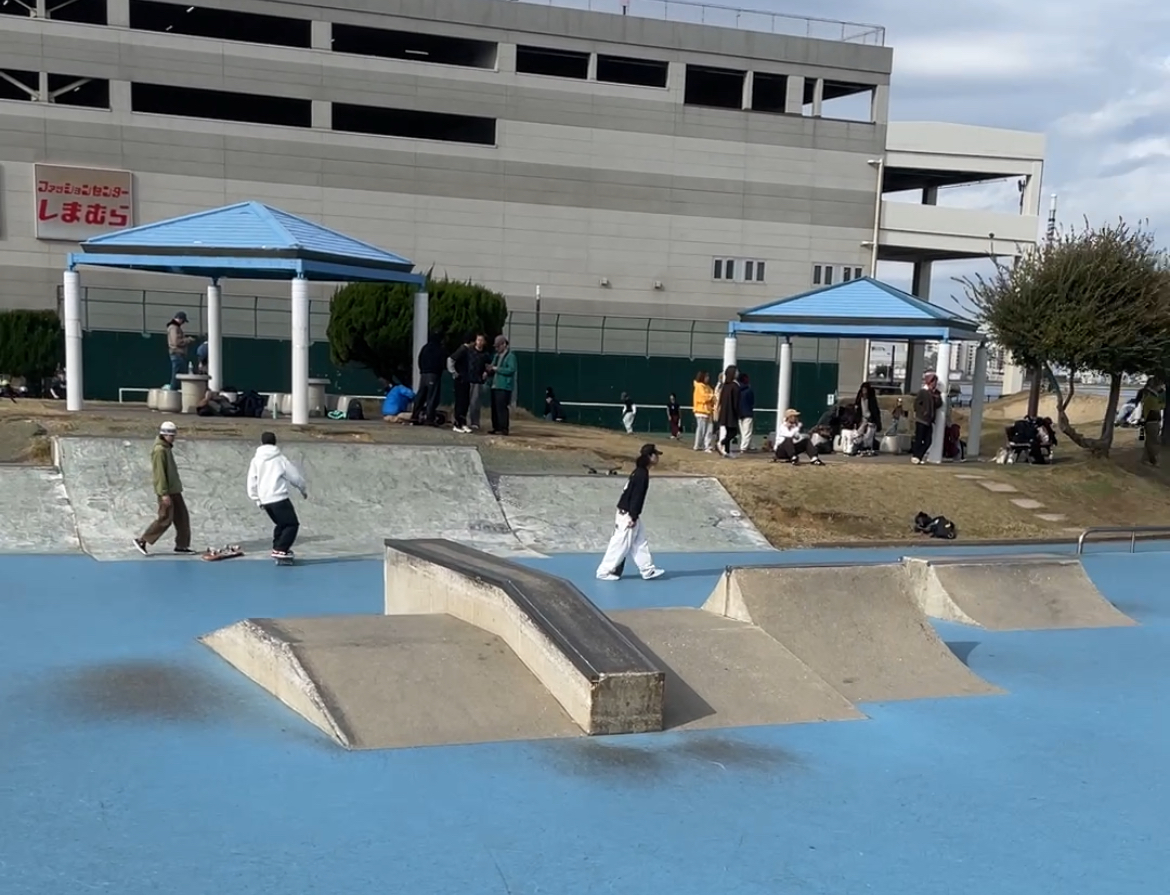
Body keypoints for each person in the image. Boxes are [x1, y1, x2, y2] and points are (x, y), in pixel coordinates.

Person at [595, 443, 666, 581]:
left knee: (639, 541)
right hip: (627, 514)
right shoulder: (642, 474)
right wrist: (633, 516)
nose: (658, 458)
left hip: (629, 513)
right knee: (620, 544)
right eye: (656, 455)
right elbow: (636, 496)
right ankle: (604, 571)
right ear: (650, 456)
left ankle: (647, 570)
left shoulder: (639, 471)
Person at [133, 421, 193, 555]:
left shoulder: (166, 448)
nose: (173, 438)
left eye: (173, 435)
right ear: (164, 435)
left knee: (182, 518)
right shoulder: (159, 450)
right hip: (166, 491)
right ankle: (142, 540)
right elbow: (159, 473)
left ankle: (182, 546)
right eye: (171, 435)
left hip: (174, 489)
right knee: (165, 518)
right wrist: (164, 494)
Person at [246, 432, 308, 560]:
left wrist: (257, 499)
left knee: (281, 524)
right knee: (291, 524)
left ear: (262, 443)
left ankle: (277, 547)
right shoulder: (280, 459)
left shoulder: (256, 460)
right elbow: (294, 476)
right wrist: (302, 489)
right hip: (279, 498)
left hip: (265, 500)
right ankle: (281, 549)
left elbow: (252, 480)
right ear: (275, 442)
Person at [447, 331, 478, 434]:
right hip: (460, 380)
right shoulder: (462, 350)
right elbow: (450, 359)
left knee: (465, 402)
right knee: (460, 402)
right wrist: (454, 373)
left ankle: (463, 423)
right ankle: (457, 424)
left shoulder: (467, 350)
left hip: (465, 380)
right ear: (472, 341)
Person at [412, 331, 445, 425]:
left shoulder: (425, 348)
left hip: (423, 374)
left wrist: (422, 370)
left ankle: (415, 416)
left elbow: (420, 359)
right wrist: (439, 371)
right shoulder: (438, 349)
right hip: (433, 374)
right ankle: (429, 418)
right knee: (432, 397)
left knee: (421, 395)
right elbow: (441, 362)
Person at [487, 335, 517, 435]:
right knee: (494, 407)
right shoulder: (496, 356)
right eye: (495, 347)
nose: (496, 349)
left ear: (504, 344)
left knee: (502, 408)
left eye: (498, 346)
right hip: (495, 385)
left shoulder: (510, 356)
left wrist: (497, 369)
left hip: (504, 386)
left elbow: (511, 370)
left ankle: (504, 428)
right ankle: (496, 427)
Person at [911, 372, 942, 465]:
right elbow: (916, 404)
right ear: (929, 382)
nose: (935, 384)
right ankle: (916, 456)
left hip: (929, 421)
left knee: (928, 441)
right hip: (921, 419)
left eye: (936, 382)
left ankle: (918, 456)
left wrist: (937, 396)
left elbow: (939, 405)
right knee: (919, 439)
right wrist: (923, 412)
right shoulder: (923, 392)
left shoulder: (934, 393)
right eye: (933, 382)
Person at [166, 311, 196, 389]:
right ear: (180, 319)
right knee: (177, 376)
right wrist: (188, 340)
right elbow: (176, 342)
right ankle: (173, 393)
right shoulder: (174, 328)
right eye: (183, 321)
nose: (183, 323)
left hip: (177, 354)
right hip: (177, 354)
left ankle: (174, 392)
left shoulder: (174, 327)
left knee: (178, 375)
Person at [716, 364, 740, 457]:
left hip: (724, 413)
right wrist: (737, 412)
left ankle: (727, 451)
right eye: (736, 371)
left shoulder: (725, 386)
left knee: (728, 431)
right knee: (733, 432)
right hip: (731, 413)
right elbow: (736, 402)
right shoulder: (735, 386)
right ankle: (721, 443)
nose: (738, 373)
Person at [852, 381, 883, 453]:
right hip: (862, 419)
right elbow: (857, 411)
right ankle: (859, 446)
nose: (864, 392)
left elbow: (875, 412)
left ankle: (867, 447)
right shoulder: (860, 399)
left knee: (869, 434)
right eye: (863, 390)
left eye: (865, 390)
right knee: (858, 433)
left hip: (870, 420)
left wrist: (876, 422)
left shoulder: (871, 400)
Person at [468, 334, 490, 430]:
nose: (480, 342)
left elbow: (488, 366)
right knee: (465, 401)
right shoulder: (470, 352)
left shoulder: (485, 355)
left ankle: (475, 422)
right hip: (468, 379)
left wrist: (486, 372)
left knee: (475, 402)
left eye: (481, 340)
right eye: (478, 340)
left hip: (478, 381)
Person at [1141, 378, 1165, 466]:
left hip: (1150, 421)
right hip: (1152, 421)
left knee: (1149, 441)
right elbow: (1156, 408)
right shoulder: (1151, 397)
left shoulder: (1148, 395)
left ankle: (1146, 459)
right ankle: (1154, 460)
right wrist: (1163, 404)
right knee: (1154, 442)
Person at [692, 371, 714, 452]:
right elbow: (704, 397)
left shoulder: (708, 387)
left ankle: (707, 445)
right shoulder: (699, 386)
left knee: (709, 430)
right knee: (701, 429)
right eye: (706, 377)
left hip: (709, 411)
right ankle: (697, 445)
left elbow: (712, 396)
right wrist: (711, 396)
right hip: (701, 411)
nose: (708, 378)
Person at [737, 373, 755, 451]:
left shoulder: (736, 390)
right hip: (747, 412)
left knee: (743, 431)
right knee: (747, 431)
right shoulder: (748, 390)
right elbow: (752, 401)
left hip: (739, 413)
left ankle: (749, 445)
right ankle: (743, 447)